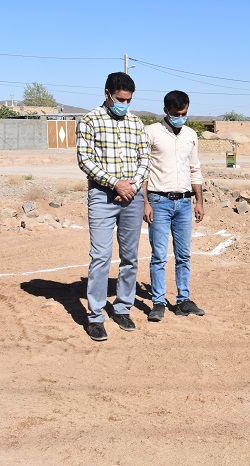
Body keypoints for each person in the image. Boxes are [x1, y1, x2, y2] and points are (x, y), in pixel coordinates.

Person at [77, 72, 150, 341]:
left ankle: (122, 307)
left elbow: (145, 158)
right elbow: (85, 160)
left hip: (132, 196)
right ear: (107, 93)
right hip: (102, 195)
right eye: (120, 99)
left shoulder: (136, 122)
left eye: (129, 100)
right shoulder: (89, 120)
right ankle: (95, 315)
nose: (125, 104)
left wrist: (130, 186)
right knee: (101, 256)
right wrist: (114, 184)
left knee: (130, 257)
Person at [144, 90, 205, 322]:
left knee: (184, 255)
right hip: (159, 202)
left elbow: (195, 168)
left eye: (185, 113)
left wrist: (199, 201)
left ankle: (183, 301)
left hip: (184, 202)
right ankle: (158, 302)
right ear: (166, 111)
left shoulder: (191, 134)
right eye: (177, 114)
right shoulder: (151, 133)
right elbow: (144, 170)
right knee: (159, 256)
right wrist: (145, 203)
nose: (181, 117)